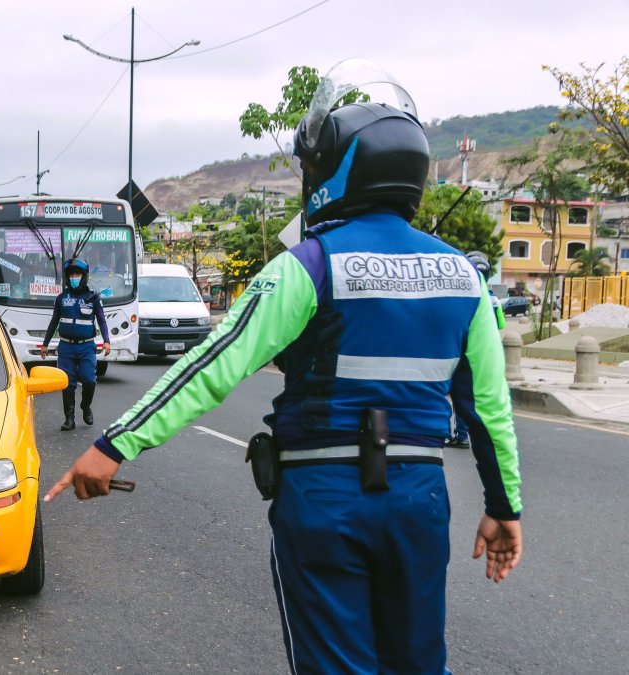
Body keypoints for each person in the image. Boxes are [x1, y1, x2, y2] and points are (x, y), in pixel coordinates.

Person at [44, 60, 523, 674]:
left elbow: (213, 365)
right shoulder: (463, 276)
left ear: (334, 172)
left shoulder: (309, 265)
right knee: (419, 664)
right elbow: (489, 411)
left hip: (325, 498)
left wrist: (115, 443)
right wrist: (505, 508)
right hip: (419, 502)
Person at [36, 259, 111, 431]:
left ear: (84, 276)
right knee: (67, 384)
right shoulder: (62, 298)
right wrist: (45, 344)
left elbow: (102, 320)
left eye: (77, 274)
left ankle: (86, 407)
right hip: (66, 347)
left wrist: (107, 341)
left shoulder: (93, 297)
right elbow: (54, 321)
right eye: (71, 274)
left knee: (89, 380)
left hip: (86, 347)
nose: (74, 277)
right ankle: (69, 418)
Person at [449, 251, 507, 449]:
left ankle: (461, 434)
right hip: (487, 354)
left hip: (464, 351)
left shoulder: (461, 297)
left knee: (460, 393)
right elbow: (500, 325)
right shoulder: (493, 299)